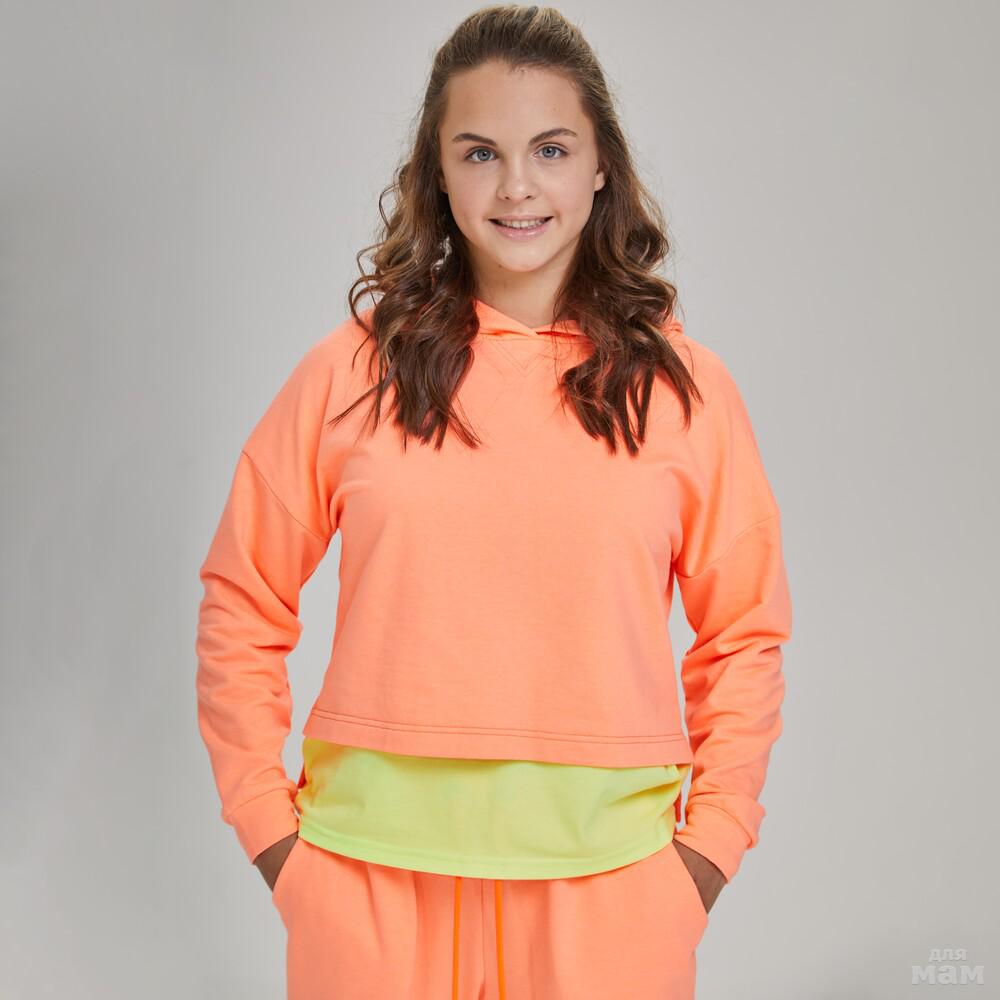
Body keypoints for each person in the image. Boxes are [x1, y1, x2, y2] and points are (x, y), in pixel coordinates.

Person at [194, 5, 792, 998]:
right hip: (366, 881)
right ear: (437, 172)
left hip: (613, 892)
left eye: (550, 149)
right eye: (479, 153)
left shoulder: (683, 390)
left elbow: (743, 634)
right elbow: (241, 599)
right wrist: (272, 837)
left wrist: (705, 856)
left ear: (599, 167)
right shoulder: (349, 373)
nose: (517, 186)